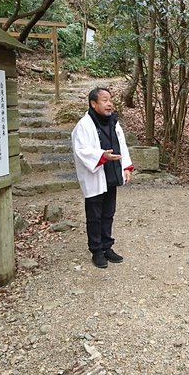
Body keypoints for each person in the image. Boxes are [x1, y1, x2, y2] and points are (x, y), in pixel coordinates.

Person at [72, 87, 134, 269]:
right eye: (104, 100)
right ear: (93, 103)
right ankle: (96, 250)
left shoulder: (114, 122)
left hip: (112, 174)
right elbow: (81, 150)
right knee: (95, 216)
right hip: (95, 175)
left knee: (108, 214)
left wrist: (126, 167)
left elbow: (122, 146)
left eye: (110, 100)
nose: (109, 104)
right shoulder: (84, 125)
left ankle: (107, 247)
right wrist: (101, 156)